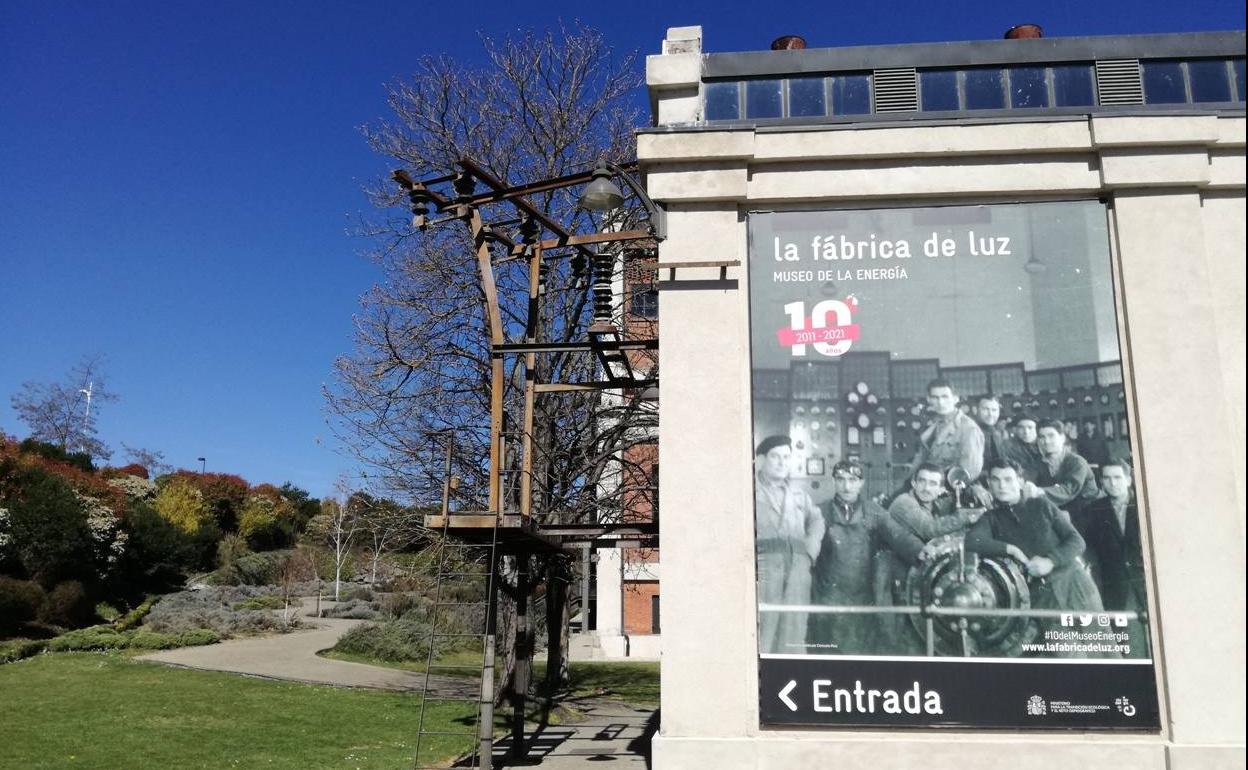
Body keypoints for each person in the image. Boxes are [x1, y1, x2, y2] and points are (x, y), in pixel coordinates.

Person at [966, 459, 1104, 657]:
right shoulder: (991, 519)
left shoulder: (1041, 504)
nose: (1002, 485)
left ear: (1020, 482)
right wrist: (1010, 549)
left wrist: (1051, 561)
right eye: (995, 480)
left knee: (1103, 650)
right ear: (989, 484)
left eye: (1008, 479)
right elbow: (971, 541)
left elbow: (1076, 541)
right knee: (1070, 660)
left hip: (1076, 587)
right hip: (1043, 599)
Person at [878, 463, 984, 653]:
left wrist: (973, 490)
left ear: (941, 487)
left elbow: (948, 509)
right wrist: (973, 515)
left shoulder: (932, 502)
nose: (927, 488)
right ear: (913, 482)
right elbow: (931, 529)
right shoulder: (903, 503)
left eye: (933, 483)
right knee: (902, 633)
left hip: (915, 572)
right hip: (895, 573)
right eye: (922, 482)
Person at [808, 460, 888, 654]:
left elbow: (900, 537)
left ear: (861, 483)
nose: (846, 486)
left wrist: (921, 551)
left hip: (862, 597)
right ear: (834, 481)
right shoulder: (819, 511)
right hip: (828, 598)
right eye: (841, 479)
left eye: (852, 480)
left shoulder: (874, 512)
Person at [754, 434, 824, 655]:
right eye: (775, 456)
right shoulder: (746, 491)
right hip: (764, 570)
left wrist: (810, 551)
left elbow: (817, 520)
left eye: (786, 457)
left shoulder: (799, 495)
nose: (782, 462)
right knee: (762, 633)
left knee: (794, 636)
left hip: (797, 572)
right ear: (761, 460)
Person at [1081, 460, 1149, 658]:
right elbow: (1086, 545)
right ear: (1101, 482)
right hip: (1115, 585)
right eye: (1107, 478)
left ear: (1128, 480)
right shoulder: (1094, 511)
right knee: (1130, 642)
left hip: (1146, 582)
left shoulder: (1146, 504)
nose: (1112, 483)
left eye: (1117, 477)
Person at [1025, 418, 1100, 529]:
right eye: (1042, 437)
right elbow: (1027, 480)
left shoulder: (1077, 461)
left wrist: (1038, 491)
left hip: (1091, 515)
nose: (1046, 441)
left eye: (1051, 436)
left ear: (1062, 438)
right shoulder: (1037, 463)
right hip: (1062, 515)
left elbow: (1068, 490)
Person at [911, 379, 985, 481]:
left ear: (955, 398)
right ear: (928, 399)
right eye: (935, 397)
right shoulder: (935, 426)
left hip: (952, 490)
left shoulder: (969, 428)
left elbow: (970, 471)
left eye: (945, 397)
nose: (940, 402)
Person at [1002, 414, 1045, 481]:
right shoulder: (1007, 446)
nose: (1026, 432)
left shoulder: (1045, 443)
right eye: (1021, 427)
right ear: (1016, 430)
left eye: (1030, 427)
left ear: (1037, 430)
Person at [974, 395, 1010, 469]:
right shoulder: (969, 432)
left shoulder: (999, 434)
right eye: (985, 409)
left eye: (994, 410)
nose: (990, 414)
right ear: (975, 410)